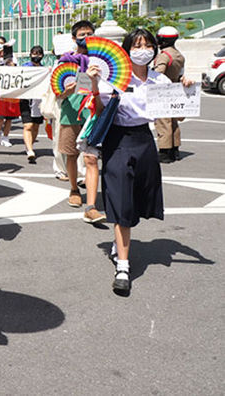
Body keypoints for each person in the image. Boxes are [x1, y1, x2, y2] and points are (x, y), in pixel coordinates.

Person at [89, 28, 194, 295]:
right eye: (136, 45)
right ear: (126, 49)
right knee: (121, 199)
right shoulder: (114, 79)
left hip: (144, 141)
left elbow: (177, 116)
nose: (143, 49)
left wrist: (185, 90)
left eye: (148, 44)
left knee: (136, 198)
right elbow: (99, 112)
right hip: (117, 140)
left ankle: (118, 242)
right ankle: (123, 266)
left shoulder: (159, 80)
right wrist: (94, 85)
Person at [56, 21, 105, 223]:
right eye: (82, 33)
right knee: (70, 152)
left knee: (91, 157)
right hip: (71, 110)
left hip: (93, 110)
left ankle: (91, 204)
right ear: (74, 37)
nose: (86, 36)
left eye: (90, 33)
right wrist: (72, 87)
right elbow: (58, 91)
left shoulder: (101, 60)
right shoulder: (66, 61)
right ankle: (74, 188)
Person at [153, 26, 186, 163]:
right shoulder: (179, 55)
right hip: (175, 89)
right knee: (173, 121)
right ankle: (175, 148)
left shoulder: (164, 55)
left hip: (163, 91)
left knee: (163, 122)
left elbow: (159, 73)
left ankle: (165, 152)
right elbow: (180, 74)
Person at [20, 45, 46, 163]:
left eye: (39, 54)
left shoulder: (44, 69)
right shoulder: (25, 67)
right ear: (30, 54)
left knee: (35, 126)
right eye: (34, 53)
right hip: (26, 99)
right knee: (28, 125)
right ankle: (30, 150)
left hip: (38, 101)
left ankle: (30, 145)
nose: (36, 56)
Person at [0, 40, 18, 147]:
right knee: (0, 116)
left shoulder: (12, 58)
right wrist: (2, 49)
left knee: (10, 117)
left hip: (10, 92)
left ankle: (6, 137)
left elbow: (16, 69)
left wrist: (10, 61)